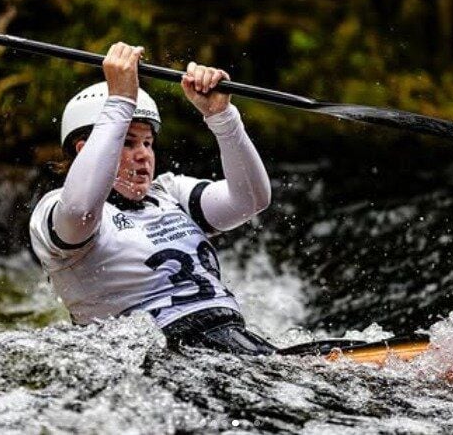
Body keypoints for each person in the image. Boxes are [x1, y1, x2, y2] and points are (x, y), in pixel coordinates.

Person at [29, 42, 276, 354]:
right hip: (161, 358)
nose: (143, 155)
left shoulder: (170, 193)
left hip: (231, 341)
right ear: (84, 149)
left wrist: (222, 117)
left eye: (148, 142)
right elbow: (80, 209)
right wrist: (119, 101)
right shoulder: (53, 211)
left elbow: (251, 200)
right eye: (129, 142)